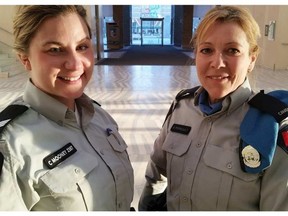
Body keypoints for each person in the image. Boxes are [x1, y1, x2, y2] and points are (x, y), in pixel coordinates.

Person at [138, 5, 288, 211]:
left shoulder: (272, 124)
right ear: (196, 54)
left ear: (252, 59)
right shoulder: (182, 107)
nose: (217, 63)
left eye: (232, 50)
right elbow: (157, 174)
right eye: (206, 50)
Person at [0, 5, 134, 211]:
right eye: (55, 50)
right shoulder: (10, 145)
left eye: (82, 47)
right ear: (25, 59)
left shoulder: (99, 116)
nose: (74, 64)